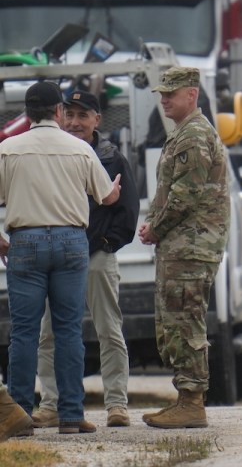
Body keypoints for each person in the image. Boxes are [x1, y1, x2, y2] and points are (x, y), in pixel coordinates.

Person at [0, 81, 121, 435]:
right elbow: (107, 196)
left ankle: (19, 413)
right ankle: (71, 413)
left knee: (24, 331)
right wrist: (113, 191)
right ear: (58, 112)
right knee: (68, 329)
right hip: (71, 241)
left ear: (27, 113)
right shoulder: (80, 149)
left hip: (25, 241)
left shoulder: (8, 149)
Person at [32, 90, 140, 429]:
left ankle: (117, 405)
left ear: (97, 119)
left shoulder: (111, 157)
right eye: (71, 115)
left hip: (96, 256)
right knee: (49, 334)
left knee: (109, 330)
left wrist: (108, 244)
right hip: (59, 259)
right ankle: (50, 404)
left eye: (84, 116)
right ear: (61, 116)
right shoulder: (50, 152)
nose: (76, 122)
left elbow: (128, 208)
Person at [138, 67, 230, 429]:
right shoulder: (184, 133)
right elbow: (170, 190)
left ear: (192, 94)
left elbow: (184, 195)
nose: (164, 100)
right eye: (162, 94)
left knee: (185, 319)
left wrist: (154, 228)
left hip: (191, 245)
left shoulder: (193, 136)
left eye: (171, 94)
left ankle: (192, 401)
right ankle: (186, 398)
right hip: (183, 243)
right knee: (176, 319)